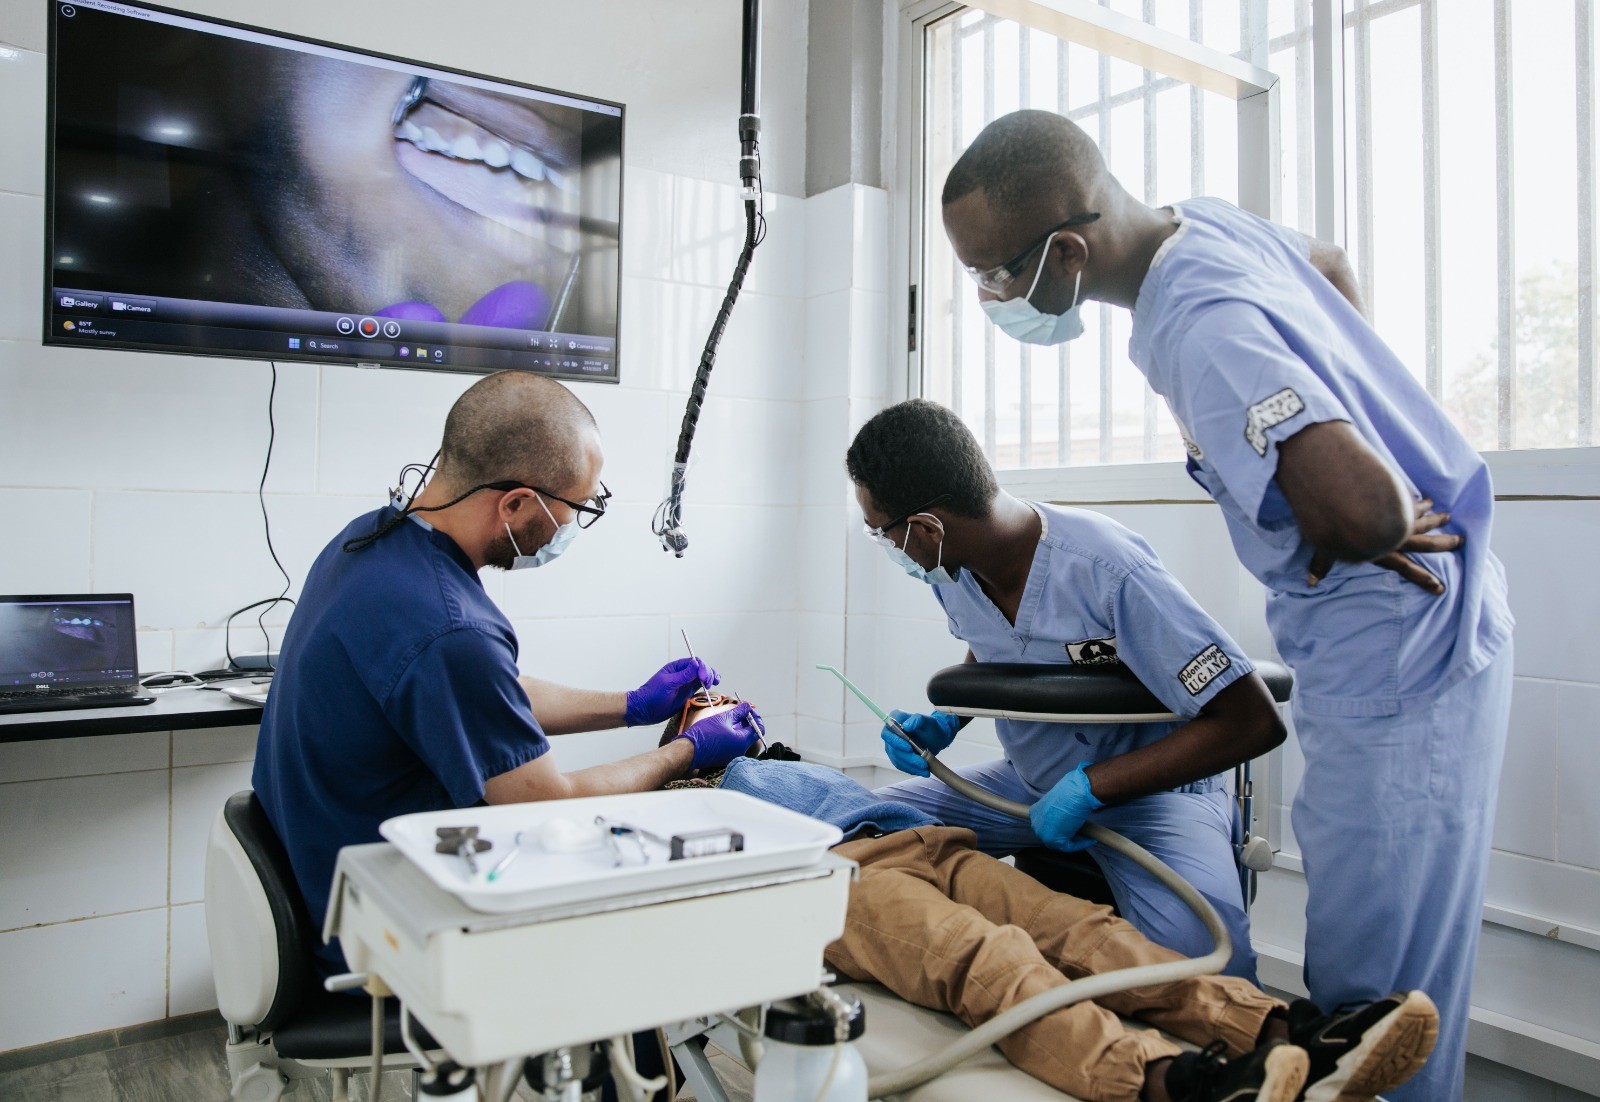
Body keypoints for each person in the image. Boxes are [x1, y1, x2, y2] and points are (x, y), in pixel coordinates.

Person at [939, 108, 1514, 1100]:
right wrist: (1362, 406)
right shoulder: (1205, 226)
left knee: (1370, 992)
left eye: (994, 273)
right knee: (1420, 960)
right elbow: (1327, 264)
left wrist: (1363, 510)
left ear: (1066, 253)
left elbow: (1365, 505)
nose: (990, 294)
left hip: (1389, 642)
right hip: (1434, 631)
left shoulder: (1194, 330)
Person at [252, 371, 765, 976]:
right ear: (517, 504)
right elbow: (551, 805)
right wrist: (686, 749)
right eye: (577, 509)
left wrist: (633, 704)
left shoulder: (371, 541)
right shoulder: (449, 628)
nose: (574, 527)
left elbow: (483, 698)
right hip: (389, 931)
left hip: (328, 878)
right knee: (657, 939)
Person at [689, 738, 1442, 1102]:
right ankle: (1166, 1083)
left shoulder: (793, 763)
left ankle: (1286, 1033)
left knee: (1086, 931)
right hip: (829, 880)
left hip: (925, 843)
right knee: (989, 959)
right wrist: (684, 753)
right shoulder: (690, 793)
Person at [846, 399, 1284, 981]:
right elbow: (1000, 642)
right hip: (1029, 785)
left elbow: (1252, 720)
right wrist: (952, 716)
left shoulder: (1109, 570)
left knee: (1206, 964)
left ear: (928, 528)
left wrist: (1092, 787)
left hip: (1156, 797)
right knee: (862, 832)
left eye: (885, 534)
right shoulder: (951, 569)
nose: (889, 547)